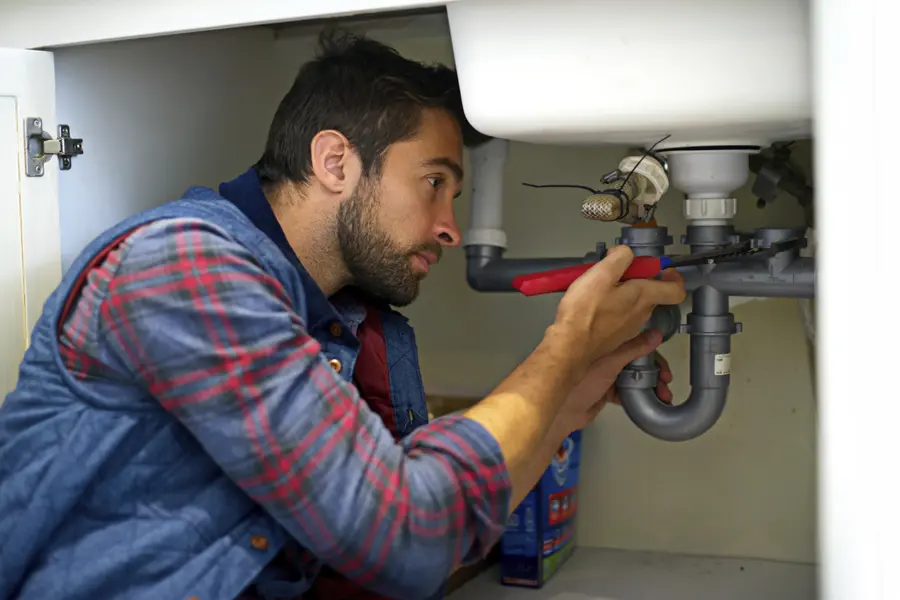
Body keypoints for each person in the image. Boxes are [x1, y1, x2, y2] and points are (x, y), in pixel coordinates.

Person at [0, 30, 685, 600]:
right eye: (434, 183)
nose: (449, 227)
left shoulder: (354, 323)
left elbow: (440, 522)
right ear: (335, 162)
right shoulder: (183, 267)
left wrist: (569, 396)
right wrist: (564, 345)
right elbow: (406, 538)